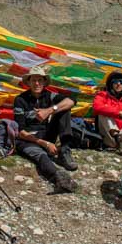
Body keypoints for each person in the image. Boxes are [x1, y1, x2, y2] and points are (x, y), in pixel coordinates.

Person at [12, 64, 78, 193]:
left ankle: (65, 150)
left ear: (44, 82)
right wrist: (45, 144)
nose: (37, 83)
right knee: (39, 154)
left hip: (46, 134)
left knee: (64, 109)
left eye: (40, 80)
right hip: (28, 139)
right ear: (29, 82)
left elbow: (72, 100)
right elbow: (20, 131)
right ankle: (59, 178)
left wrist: (49, 110)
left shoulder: (50, 96)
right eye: (33, 80)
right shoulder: (20, 100)